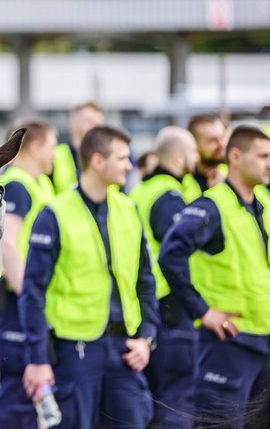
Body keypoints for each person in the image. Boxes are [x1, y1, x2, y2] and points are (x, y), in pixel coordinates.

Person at [20, 125, 159, 429]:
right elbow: (33, 292)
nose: (130, 165)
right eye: (122, 158)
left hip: (125, 350)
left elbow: (146, 281)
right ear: (98, 161)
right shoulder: (54, 214)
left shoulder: (128, 209)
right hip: (76, 352)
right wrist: (38, 359)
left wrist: (147, 337)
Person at [158, 125, 270, 429]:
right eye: (262, 156)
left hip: (265, 342)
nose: (269, 162)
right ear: (235, 157)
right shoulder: (212, 206)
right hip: (229, 344)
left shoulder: (264, 202)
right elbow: (170, 255)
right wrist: (203, 311)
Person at [0, 120, 57, 429]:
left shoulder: (37, 183)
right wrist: (29, 297)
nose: (55, 155)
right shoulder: (17, 184)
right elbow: (8, 245)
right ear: (37, 146)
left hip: (25, 299)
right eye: (53, 146)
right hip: (19, 300)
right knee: (19, 393)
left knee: (31, 398)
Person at [129, 126, 200, 428]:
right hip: (169, 306)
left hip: (145, 305)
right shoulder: (169, 196)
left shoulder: (142, 190)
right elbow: (179, 253)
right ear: (179, 156)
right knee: (175, 400)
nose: (196, 159)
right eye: (193, 152)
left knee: (153, 398)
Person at [51, 102, 105, 194]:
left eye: (98, 122)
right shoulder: (54, 155)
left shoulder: (107, 157)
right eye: (89, 121)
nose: (95, 126)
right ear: (72, 125)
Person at [184, 114, 228, 199]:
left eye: (222, 137)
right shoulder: (183, 183)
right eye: (213, 140)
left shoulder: (235, 174)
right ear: (194, 144)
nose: (222, 144)